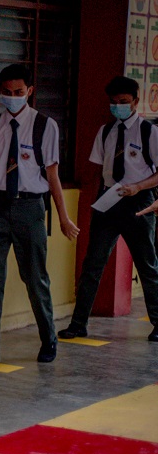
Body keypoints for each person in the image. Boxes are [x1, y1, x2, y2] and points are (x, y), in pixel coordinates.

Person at [0, 64, 79, 365]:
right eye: (7, 92)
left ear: (30, 91)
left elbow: (52, 176)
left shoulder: (44, 126)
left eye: (19, 92)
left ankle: (48, 339)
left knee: (36, 278)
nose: (13, 97)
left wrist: (63, 217)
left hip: (30, 207)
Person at [57, 77, 158, 342]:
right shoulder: (106, 131)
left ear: (136, 101)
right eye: (113, 103)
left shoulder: (150, 132)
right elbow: (98, 169)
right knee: (92, 264)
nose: (118, 107)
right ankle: (78, 324)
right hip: (109, 200)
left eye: (123, 103)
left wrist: (139, 186)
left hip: (139, 202)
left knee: (147, 265)